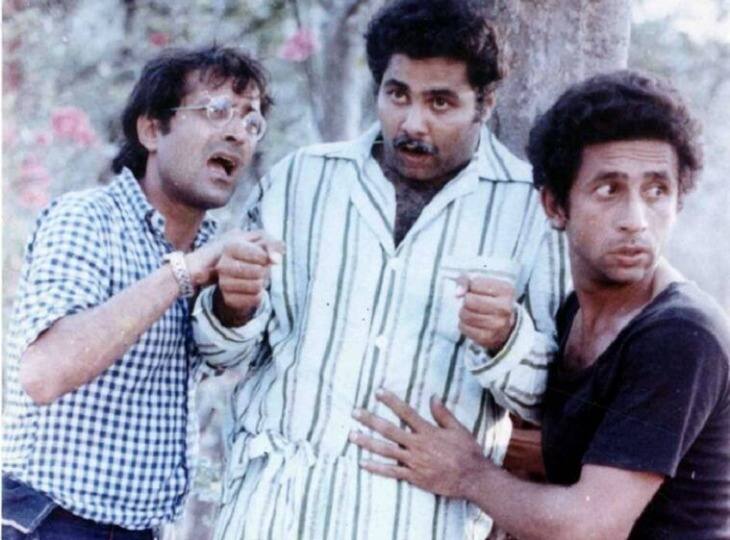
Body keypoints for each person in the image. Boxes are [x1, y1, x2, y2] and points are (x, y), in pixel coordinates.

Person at [191, 1, 568, 538]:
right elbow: (219, 353)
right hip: (272, 512)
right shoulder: (301, 180)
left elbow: (555, 396)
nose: (412, 123)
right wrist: (234, 305)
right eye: (398, 95)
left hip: (418, 520)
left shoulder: (530, 210)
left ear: (484, 104)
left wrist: (505, 338)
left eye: (440, 102)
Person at [350, 70, 730, 539]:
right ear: (554, 206)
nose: (636, 220)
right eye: (609, 189)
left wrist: (468, 473)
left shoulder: (682, 336)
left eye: (656, 191)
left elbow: (590, 525)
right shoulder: (575, 316)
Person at [2, 45, 272, 539]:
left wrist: (236, 307)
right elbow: (43, 374)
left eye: (252, 121)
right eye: (216, 111)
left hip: (139, 529)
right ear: (151, 129)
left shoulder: (213, 247)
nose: (238, 132)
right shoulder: (87, 219)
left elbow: (226, 357)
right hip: (50, 520)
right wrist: (183, 273)